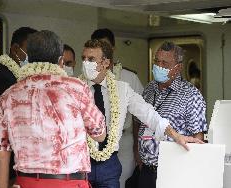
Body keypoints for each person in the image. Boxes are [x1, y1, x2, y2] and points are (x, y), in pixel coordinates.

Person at [0, 30, 106, 188]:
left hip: (27, 183)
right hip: (69, 183)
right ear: (60, 61)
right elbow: (99, 134)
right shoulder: (76, 89)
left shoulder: (7, 96)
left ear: (29, 58)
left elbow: (0, 155)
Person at [79, 39, 203, 188]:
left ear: (106, 63)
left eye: (91, 59)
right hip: (80, 162)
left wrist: (176, 135)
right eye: (83, 58)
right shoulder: (74, 88)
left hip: (109, 165)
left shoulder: (122, 90)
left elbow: (149, 115)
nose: (86, 63)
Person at [134, 41, 208, 188]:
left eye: (165, 63)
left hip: (174, 172)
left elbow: (198, 139)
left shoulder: (191, 95)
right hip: (146, 171)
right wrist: (138, 154)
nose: (159, 66)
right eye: (157, 61)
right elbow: (139, 122)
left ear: (178, 67)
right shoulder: (149, 89)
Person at [0, 27, 37, 188]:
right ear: (15, 49)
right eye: (30, 49)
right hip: (5, 169)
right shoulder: (4, 79)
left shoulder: (20, 77)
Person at [91, 28, 144, 187]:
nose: (104, 50)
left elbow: (139, 116)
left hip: (124, 143)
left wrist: (137, 147)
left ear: (113, 48)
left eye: (106, 45)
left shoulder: (129, 77)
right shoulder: (86, 78)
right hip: (94, 143)